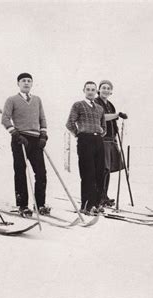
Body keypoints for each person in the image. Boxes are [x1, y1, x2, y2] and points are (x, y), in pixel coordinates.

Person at [1, 73, 50, 217]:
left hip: (36, 140)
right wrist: (15, 133)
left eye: (29, 81)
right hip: (20, 139)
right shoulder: (12, 100)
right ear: (18, 83)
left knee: (41, 173)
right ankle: (23, 205)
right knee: (21, 171)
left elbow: (42, 118)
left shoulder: (37, 100)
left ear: (32, 83)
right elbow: (5, 118)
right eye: (23, 81)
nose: (26, 83)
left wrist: (43, 135)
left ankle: (40, 204)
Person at [66, 81, 106, 215]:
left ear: (96, 92)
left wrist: (99, 133)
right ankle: (86, 206)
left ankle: (97, 204)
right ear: (84, 90)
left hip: (98, 141)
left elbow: (104, 126)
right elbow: (70, 123)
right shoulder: (78, 105)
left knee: (99, 173)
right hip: (85, 141)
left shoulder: (100, 108)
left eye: (93, 90)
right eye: (88, 89)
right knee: (88, 174)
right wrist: (79, 134)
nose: (90, 92)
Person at [93, 80, 128, 207]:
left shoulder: (110, 104)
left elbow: (112, 119)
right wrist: (116, 115)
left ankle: (104, 195)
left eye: (108, 88)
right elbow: (102, 117)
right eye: (103, 88)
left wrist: (116, 131)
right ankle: (99, 196)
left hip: (111, 139)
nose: (106, 90)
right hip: (102, 139)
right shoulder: (96, 102)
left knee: (108, 169)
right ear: (99, 90)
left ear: (111, 91)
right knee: (103, 168)